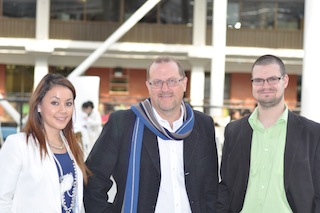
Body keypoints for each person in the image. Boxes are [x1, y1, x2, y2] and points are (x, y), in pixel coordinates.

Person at [84, 56, 219, 213]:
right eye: (157, 82)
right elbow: (93, 179)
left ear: (184, 83)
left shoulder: (203, 124)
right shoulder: (123, 123)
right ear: (148, 86)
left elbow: (211, 186)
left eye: (172, 81)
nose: (165, 89)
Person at [217, 55, 320, 213]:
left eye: (272, 79)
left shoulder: (312, 133)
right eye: (258, 80)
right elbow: (226, 185)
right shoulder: (234, 131)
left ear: (284, 81)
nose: (265, 85)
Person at [0, 73, 88, 213]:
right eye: (55, 103)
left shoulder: (73, 147)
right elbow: (2, 200)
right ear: (39, 105)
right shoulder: (18, 145)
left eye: (68, 103)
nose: (63, 110)